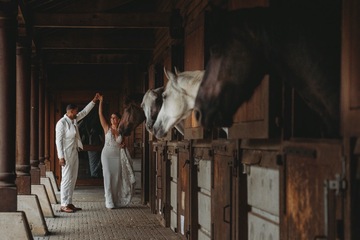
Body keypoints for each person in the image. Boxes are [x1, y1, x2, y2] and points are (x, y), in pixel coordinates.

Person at [55, 93, 100, 213]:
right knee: (66, 178)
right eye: (75, 111)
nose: (77, 113)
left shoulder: (73, 120)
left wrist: (94, 101)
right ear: (70, 111)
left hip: (74, 152)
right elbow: (58, 141)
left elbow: (85, 112)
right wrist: (60, 157)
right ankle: (63, 204)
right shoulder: (61, 123)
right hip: (66, 153)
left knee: (73, 178)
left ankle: (69, 202)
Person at [98, 94, 136, 209]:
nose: (112, 119)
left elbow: (122, 144)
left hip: (117, 156)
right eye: (111, 118)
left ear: (119, 119)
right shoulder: (107, 128)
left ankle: (115, 199)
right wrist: (101, 101)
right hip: (106, 155)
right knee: (108, 175)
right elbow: (100, 114)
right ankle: (108, 200)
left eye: (114, 118)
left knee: (116, 178)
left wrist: (123, 145)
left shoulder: (122, 131)